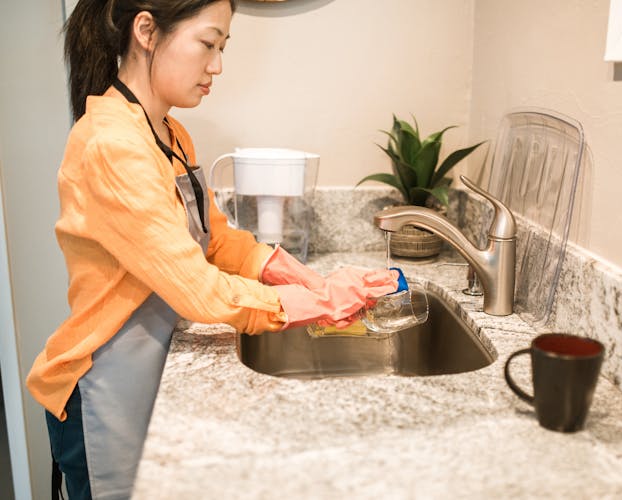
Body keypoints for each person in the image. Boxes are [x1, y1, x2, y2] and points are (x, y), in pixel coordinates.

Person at [25, 1, 398, 498]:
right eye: (208, 43)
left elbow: (215, 238)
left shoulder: (169, 134)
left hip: (143, 367)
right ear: (146, 31)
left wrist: (293, 274)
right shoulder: (111, 143)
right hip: (102, 384)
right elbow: (198, 290)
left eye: (222, 48)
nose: (217, 65)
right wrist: (323, 303)